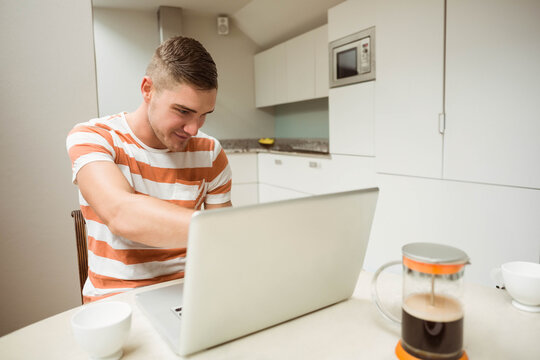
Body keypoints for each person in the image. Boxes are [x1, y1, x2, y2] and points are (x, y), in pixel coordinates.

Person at [66, 36, 232, 303]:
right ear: (147, 89)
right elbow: (122, 214)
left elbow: (220, 248)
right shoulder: (93, 138)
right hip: (116, 302)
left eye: (204, 114)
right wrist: (229, 229)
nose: (194, 128)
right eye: (183, 111)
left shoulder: (210, 153)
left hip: (190, 296)